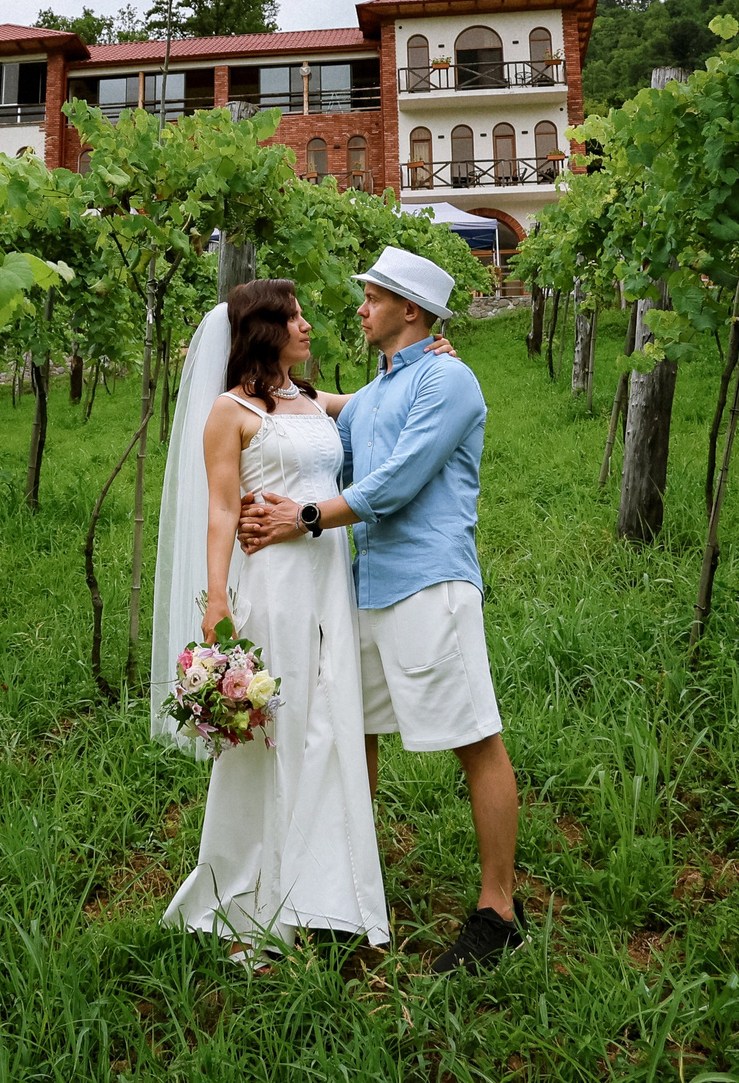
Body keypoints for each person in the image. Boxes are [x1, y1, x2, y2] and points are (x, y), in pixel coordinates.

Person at [238, 245, 523, 976]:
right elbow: (320, 409)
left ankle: (499, 909)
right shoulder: (381, 387)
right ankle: (347, 885)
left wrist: (302, 515)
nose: (358, 309)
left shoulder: (450, 380)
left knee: (473, 735)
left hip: (432, 584)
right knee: (353, 730)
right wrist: (247, 385)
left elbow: (393, 485)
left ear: (411, 311)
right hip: (371, 588)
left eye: (371, 297)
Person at [153, 279, 390, 962]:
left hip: (328, 582)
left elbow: (378, 405)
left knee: (328, 724)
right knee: (278, 732)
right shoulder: (229, 412)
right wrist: (218, 599)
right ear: (263, 329)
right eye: (294, 316)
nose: (308, 325)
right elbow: (223, 510)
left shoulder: (312, 399)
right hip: (275, 585)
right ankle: (255, 894)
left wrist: (423, 354)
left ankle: (326, 890)